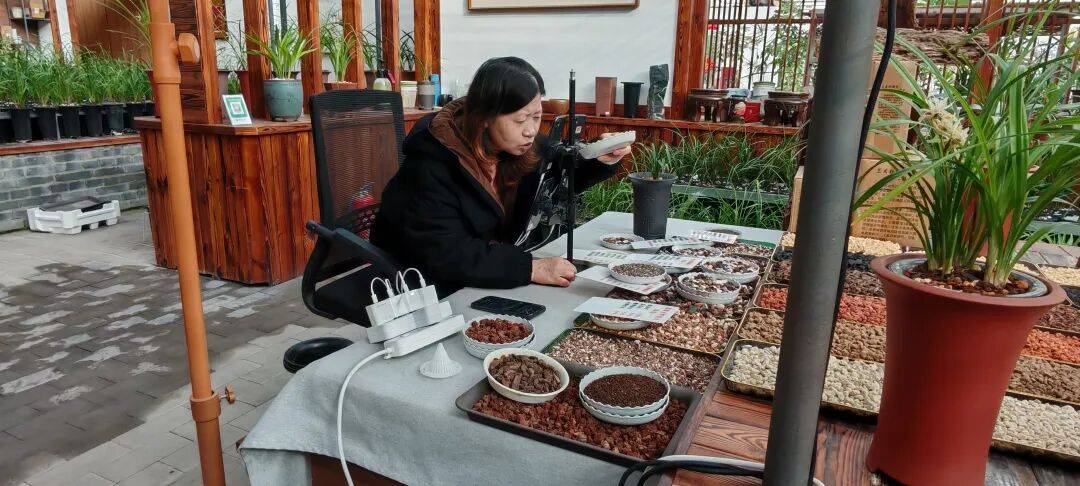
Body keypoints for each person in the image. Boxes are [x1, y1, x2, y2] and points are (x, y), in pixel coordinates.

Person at [371, 57, 631, 295]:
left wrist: (599, 157)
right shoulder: (430, 168)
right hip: (420, 287)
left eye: (537, 117)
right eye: (520, 120)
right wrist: (530, 268)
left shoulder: (513, 146)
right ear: (485, 118)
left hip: (483, 273)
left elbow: (556, 172)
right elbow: (448, 254)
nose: (531, 130)